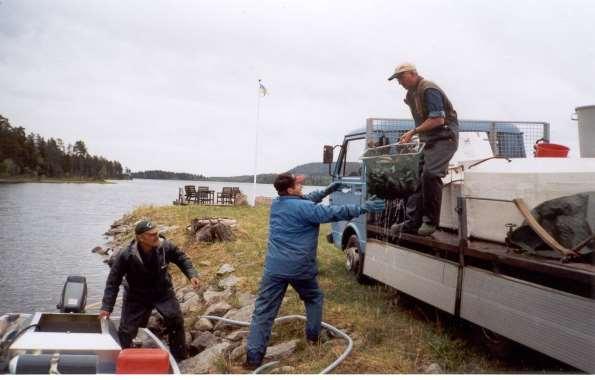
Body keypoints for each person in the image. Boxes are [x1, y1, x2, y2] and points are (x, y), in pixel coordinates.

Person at [244, 173, 385, 370]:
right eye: (297, 183)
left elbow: (306, 200)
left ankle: (253, 358)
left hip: (274, 268)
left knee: (263, 311)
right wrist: (362, 207)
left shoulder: (277, 203)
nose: (301, 185)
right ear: (291, 189)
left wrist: (327, 190)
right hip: (300, 267)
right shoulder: (305, 208)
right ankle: (313, 337)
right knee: (314, 298)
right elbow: (334, 212)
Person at [99, 219, 200, 361]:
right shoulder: (125, 255)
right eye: (151, 234)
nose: (156, 236)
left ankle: (179, 357)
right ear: (140, 238)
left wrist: (192, 275)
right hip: (136, 296)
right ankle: (124, 358)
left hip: (163, 293)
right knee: (126, 331)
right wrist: (106, 307)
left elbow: (182, 259)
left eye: (157, 233)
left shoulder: (166, 247)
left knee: (176, 320)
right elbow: (113, 282)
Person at [388, 63, 459, 236]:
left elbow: (438, 120)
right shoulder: (411, 94)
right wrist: (412, 136)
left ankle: (430, 221)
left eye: (401, 78)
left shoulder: (428, 89)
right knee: (414, 176)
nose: (399, 82)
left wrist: (413, 131)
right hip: (428, 140)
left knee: (430, 174)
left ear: (413, 74)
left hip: (445, 138)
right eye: (397, 79)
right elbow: (422, 120)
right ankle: (412, 223)